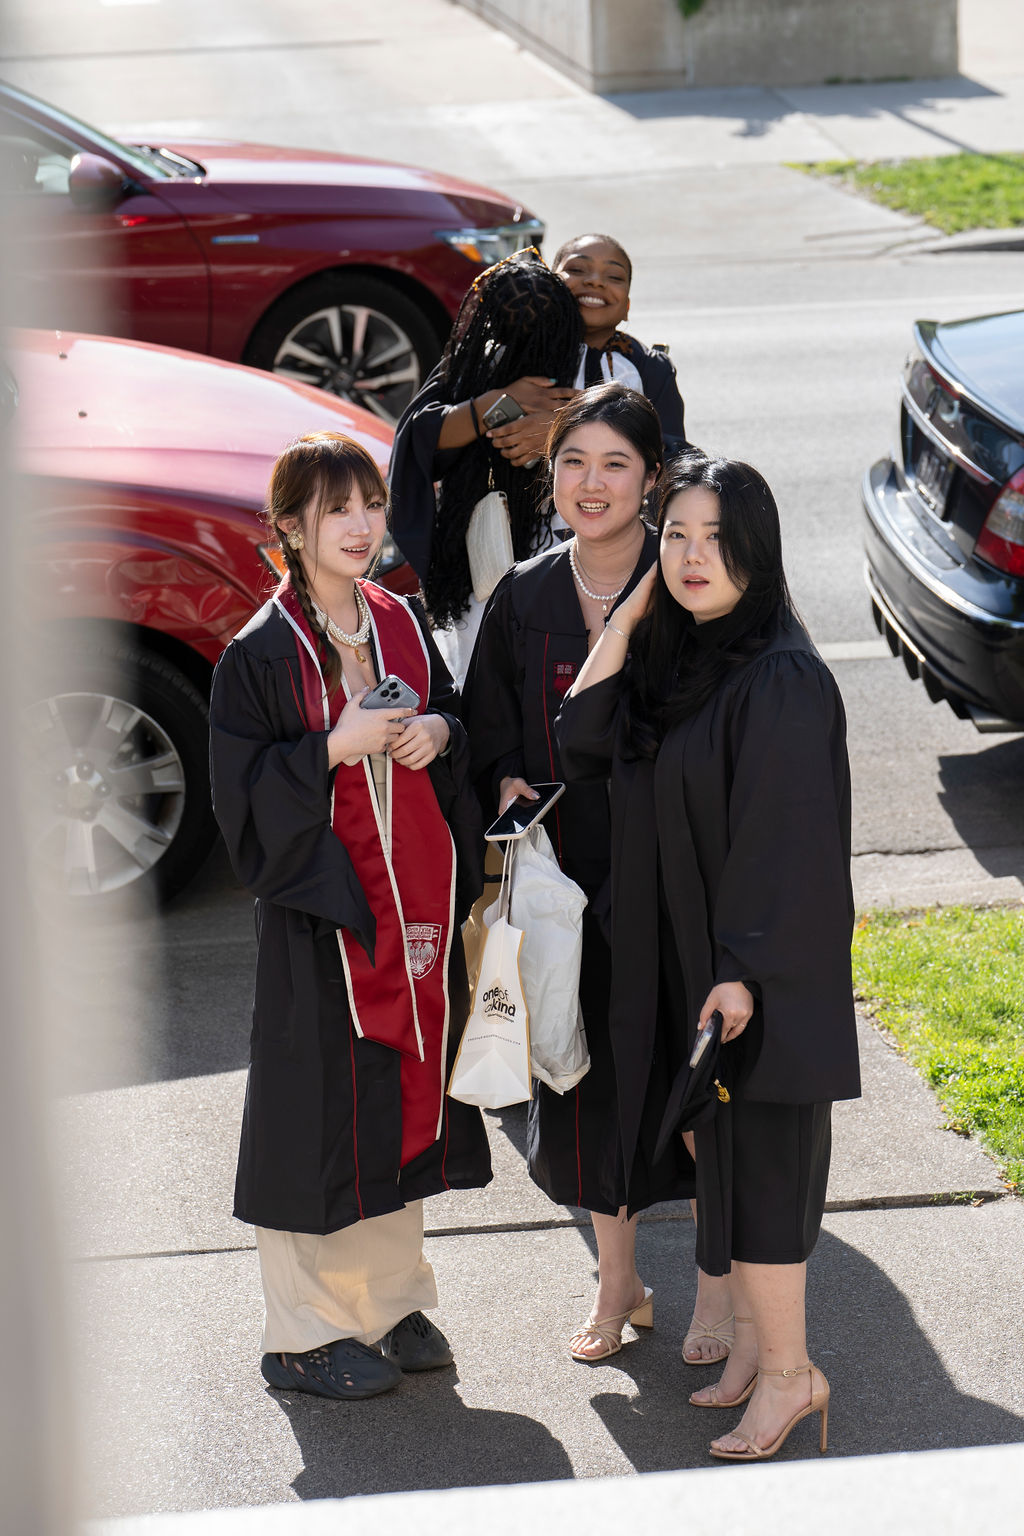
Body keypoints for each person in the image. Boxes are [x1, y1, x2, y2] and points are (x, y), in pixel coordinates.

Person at [556, 453, 860, 1457]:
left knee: (765, 1180)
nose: (692, 556)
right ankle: (750, 1359)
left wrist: (744, 973)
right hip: (696, 969)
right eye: (675, 535)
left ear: (757, 550)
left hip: (752, 982)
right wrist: (639, 605)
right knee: (719, 1165)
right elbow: (583, 731)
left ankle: (789, 1375)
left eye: (714, 538)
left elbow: (790, 847)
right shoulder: (684, 658)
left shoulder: (779, 675)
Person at [208, 431, 492, 1401]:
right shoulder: (259, 655)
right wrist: (333, 745)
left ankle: (385, 1301)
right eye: (336, 509)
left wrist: (439, 731)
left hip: (413, 914)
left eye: (370, 504)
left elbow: (458, 714)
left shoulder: (402, 621)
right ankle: (301, 1331)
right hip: (322, 925)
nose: (361, 526)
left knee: (397, 1100)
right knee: (315, 1118)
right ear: (289, 527)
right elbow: (240, 801)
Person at [463, 382, 702, 1364]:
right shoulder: (524, 596)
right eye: (572, 462)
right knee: (586, 1087)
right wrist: (503, 776)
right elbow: (482, 729)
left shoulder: (690, 581)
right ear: (549, 475)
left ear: (651, 479)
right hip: (566, 882)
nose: (590, 483)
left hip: (675, 876)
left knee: (693, 1093)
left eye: (613, 464)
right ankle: (618, 1283)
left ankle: (726, 1293)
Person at [388, 248, 583, 686]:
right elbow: (423, 434)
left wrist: (555, 428)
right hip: (484, 551)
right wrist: (501, 404)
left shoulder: (600, 366)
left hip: (556, 546)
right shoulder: (483, 366)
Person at [551, 233, 689, 457]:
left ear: (627, 307)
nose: (595, 281)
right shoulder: (512, 355)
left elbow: (674, 455)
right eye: (577, 270)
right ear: (547, 284)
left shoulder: (650, 369)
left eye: (614, 276)